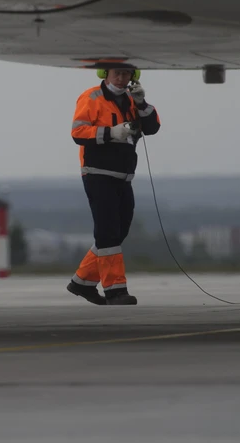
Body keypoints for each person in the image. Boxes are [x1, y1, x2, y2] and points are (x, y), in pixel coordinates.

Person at [67, 65, 160, 306]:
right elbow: (78, 132)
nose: (121, 78)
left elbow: (152, 128)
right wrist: (111, 133)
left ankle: (82, 282)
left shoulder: (131, 100)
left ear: (133, 77)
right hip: (97, 173)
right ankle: (115, 290)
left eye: (126, 74)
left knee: (118, 232)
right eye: (116, 73)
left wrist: (141, 103)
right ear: (105, 74)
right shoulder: (91, 97)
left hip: (123, 176)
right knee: (108, 233)